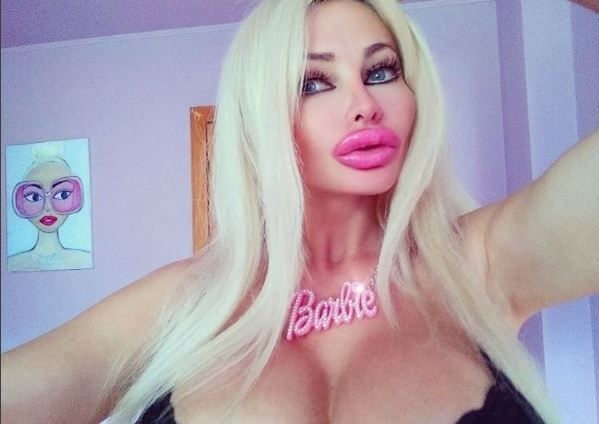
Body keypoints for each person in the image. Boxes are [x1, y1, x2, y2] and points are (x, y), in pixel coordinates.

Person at [1, 0, 597, 422]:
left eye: (381, 71)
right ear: (262, 120)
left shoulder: (483, 261)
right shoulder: (183, 304)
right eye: (314, 82)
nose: (364, 104)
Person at [8, 142, 93, 272]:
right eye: (34, 197)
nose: (47, 207)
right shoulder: (13, 264)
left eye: (62, 194)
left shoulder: (85, 260)